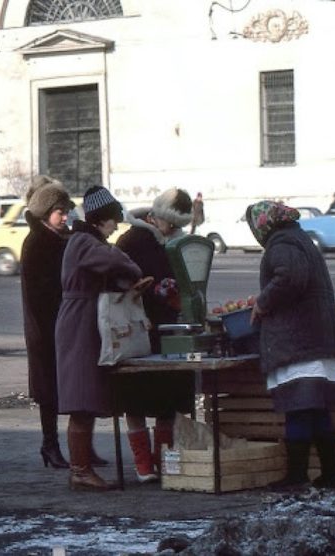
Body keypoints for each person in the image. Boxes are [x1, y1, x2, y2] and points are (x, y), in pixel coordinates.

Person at [245, 200, 335, 489]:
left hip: (299, 341)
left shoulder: (282, 244)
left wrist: (263, 302)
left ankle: (297, 477)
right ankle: (331, 474)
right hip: (316, 338)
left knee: (299, 407)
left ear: (263, 224)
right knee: (317, 409)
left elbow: (289, 278)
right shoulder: (299, 238)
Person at [54, 185, 148, 491]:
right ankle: (80, 470)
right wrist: (132, 269)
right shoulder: (85, 242)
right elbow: (113, 260)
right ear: (100, 220)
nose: (115, 228)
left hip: (84, 320)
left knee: (87, 394)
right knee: (82, 396)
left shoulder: (83, 241)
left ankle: (81, 467)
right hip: (79, 322)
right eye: (112, 221)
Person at [20, 177, 109, 470]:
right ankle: (50, 445)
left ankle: (85, 448)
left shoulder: (63, 239)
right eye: (60, 212)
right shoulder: (36, 242)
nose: (65, 217)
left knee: (81, 386)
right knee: (49, 390)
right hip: (46, 327)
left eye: (67, 211)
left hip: (66, 323)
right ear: (46, 213)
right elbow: (38, 293)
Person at [115, 188, 194, 483]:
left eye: (178, 226)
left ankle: (162, 457)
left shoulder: (174, 241)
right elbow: (118, 281)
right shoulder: (131, 240)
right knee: (134, 399)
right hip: (136, 328)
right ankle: (142, 462)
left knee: (168, 399)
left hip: (167, 327)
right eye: (170, 224)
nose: (174, 230)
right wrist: (149, 288)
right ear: (155, 216)